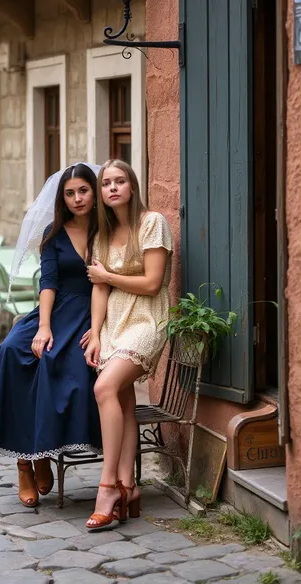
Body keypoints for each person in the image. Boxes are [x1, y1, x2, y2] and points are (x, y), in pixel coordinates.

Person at [0, 163, 102, 507]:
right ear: (62, 198)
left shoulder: (106, 231)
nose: (77, 198)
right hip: (55, 309)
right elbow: (48, 283)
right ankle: (25, 462)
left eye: (83, 191)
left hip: (90, 314)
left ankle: (42, 449)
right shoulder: (54, 232)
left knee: (62, 364)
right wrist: (43, 326)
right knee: (12, 351)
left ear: (94, 192)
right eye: (70, 193)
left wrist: (99, 326)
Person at [84, 158, 172, 529]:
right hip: (115, 324)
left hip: (147, 319)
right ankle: (129, 487)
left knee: (104, 387)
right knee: (122, 397)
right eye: (106, 184)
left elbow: (153, 283)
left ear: (132, 186)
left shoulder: (152, 223)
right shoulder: (101, 235)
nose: (113, 188)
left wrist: (108, 274)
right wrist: (96, 333)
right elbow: (99, 288)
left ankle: (107, 487)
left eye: (120, 181)